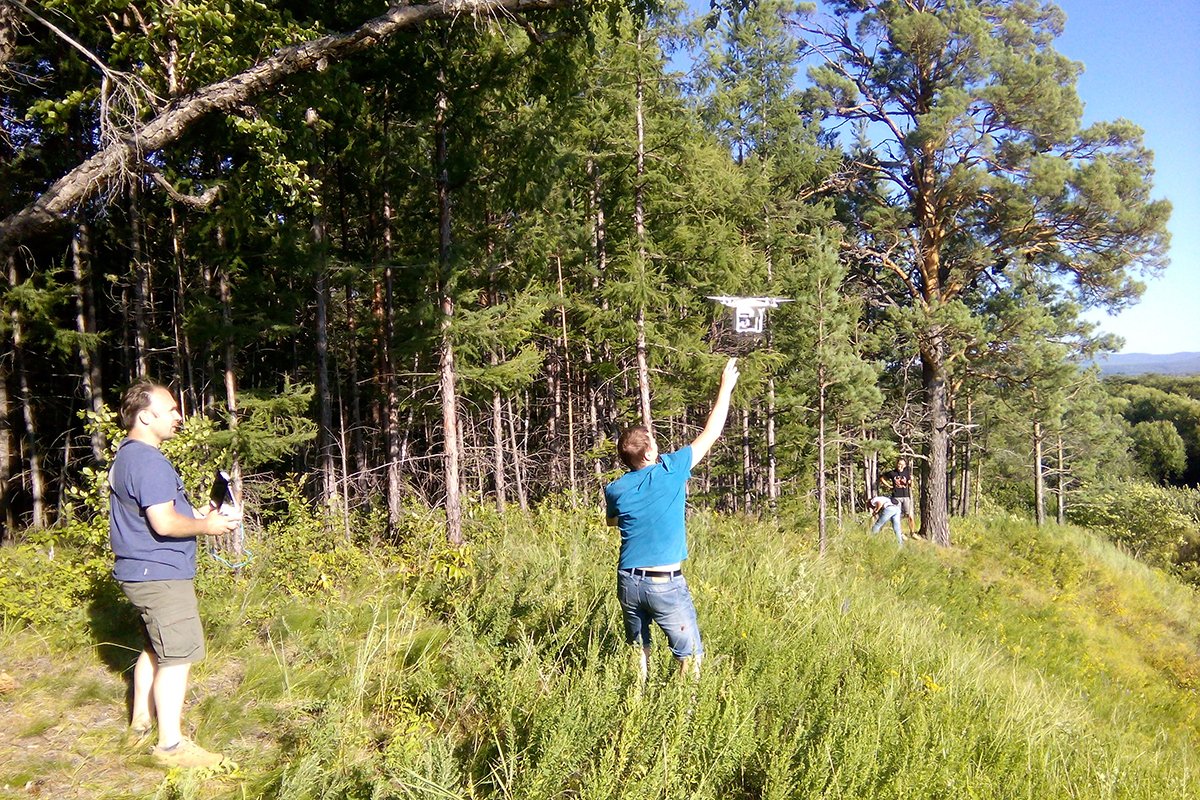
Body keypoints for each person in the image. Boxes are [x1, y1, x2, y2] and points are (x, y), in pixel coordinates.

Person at [108, 381, 242, 768]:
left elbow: (160, 514)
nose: (178, 416)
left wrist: (201, 515)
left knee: (155, 648)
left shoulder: (128, 456)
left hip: (140, 570)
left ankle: (139, 725)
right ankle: (170, 747)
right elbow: (164, 524)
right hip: (160, 574)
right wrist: (208, 527)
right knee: (178, 656)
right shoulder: (148, 461)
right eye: (169, 410)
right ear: (145, 416)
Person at [605, 358, 739, 682]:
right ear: (649, 454)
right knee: (690, 656)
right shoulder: (670, 471)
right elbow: (712, 432)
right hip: (664, 583)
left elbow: (612, 522)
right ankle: (683, 709)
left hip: (628, 581)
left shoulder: (615, 488)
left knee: (639, 650)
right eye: (653, 441)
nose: (658, 444)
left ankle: (635, 701)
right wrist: (725, 387)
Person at [881, 457, 916, 536]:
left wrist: (911, 480)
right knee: (897, 516)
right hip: (896, 497)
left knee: (909, 515)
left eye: (902, 464)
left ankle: (912, 532)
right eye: (899, 464)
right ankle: (899, 533)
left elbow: (911, 486)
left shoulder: (907, 473)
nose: (900, 466)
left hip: (906, 497)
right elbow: (882, 478)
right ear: (897, 464)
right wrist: (889, 486)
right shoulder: (892, 473)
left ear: (905, 465)